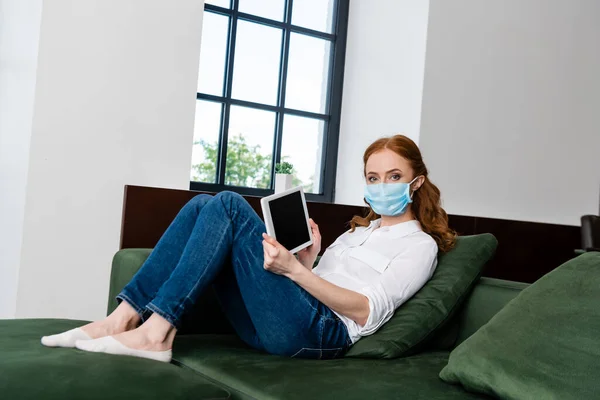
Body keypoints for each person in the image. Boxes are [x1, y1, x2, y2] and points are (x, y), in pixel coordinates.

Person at [41, 134, 456, 362]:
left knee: (227, 204)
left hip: (321, 335)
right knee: (202, 204)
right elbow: (314, 282)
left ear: (415, 181)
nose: (381, 186)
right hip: (285, 318)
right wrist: (306, 260)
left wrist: (296, 272)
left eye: (393, 176)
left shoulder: (420, 246)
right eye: (373, 177)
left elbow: (367, 311)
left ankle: (157, 332)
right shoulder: (355, 232)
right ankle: (121, 319)